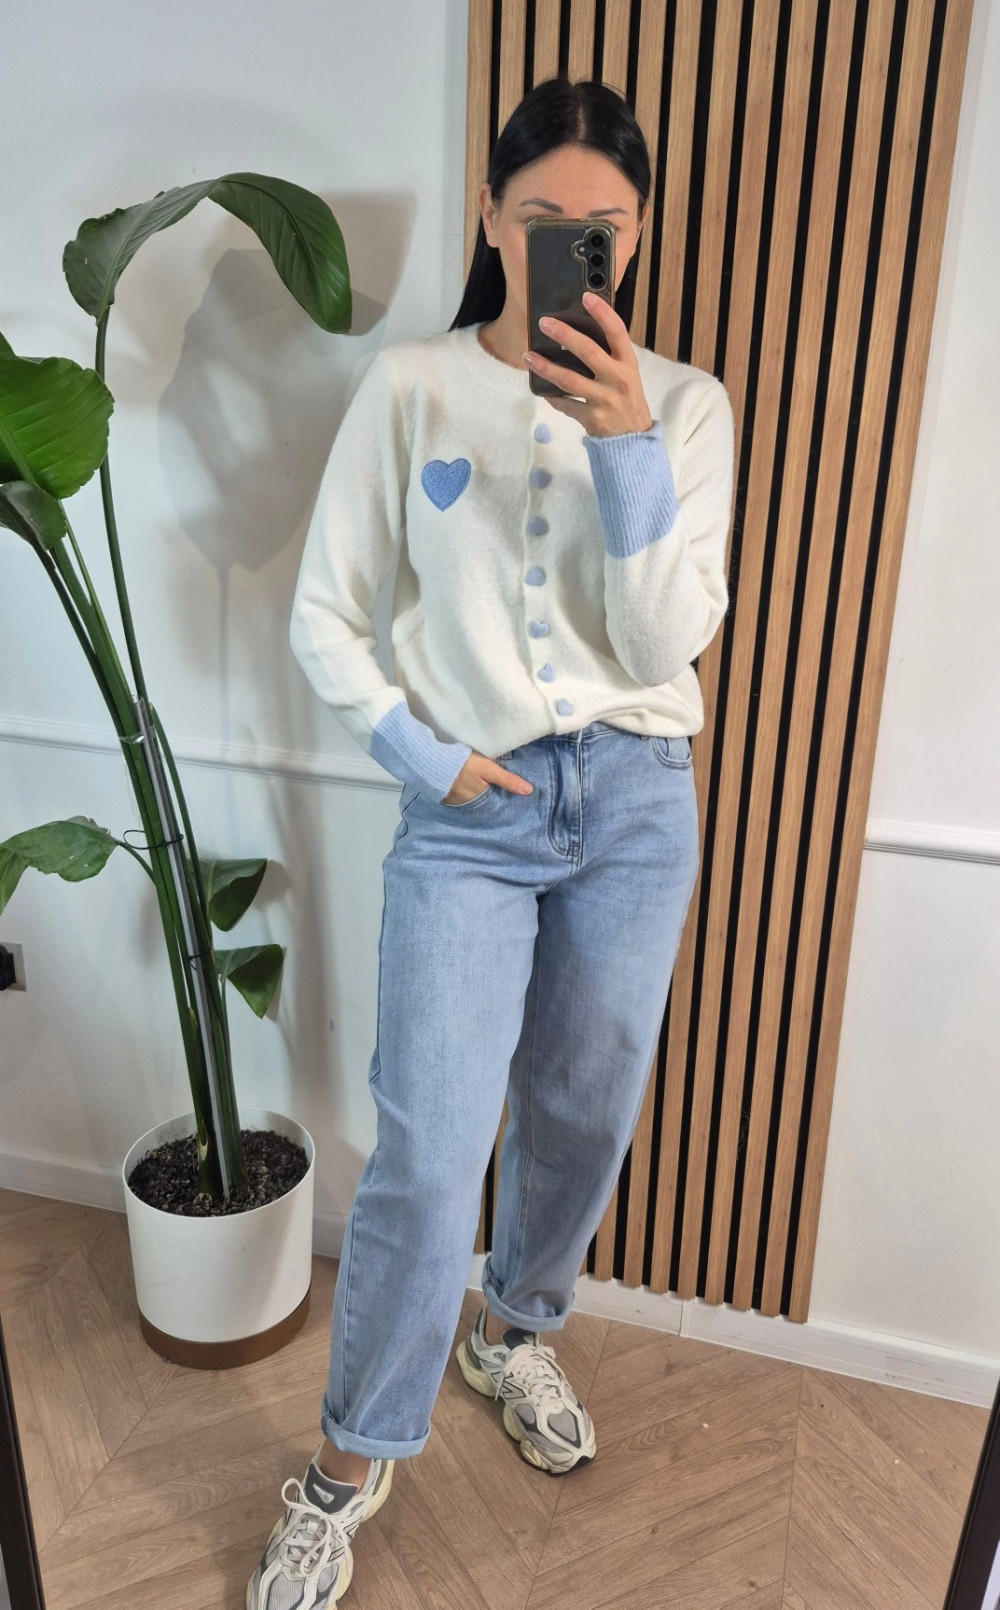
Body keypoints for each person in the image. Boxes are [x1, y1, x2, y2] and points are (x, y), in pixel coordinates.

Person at [247, 73, 735, 1609]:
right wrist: (423, 753)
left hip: (638, 801)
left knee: (584, 1108)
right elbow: (325, 615)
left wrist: (626, 443)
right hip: (467, 810)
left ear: (637, 235)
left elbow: (665, 638)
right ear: (491, 217)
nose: (575, 247)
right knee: (431, 1144)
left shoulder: (689, 407)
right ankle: (346, 1461)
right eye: (543, 219)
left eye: (606, 227)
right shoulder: (410, 390)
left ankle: (514, 1329)